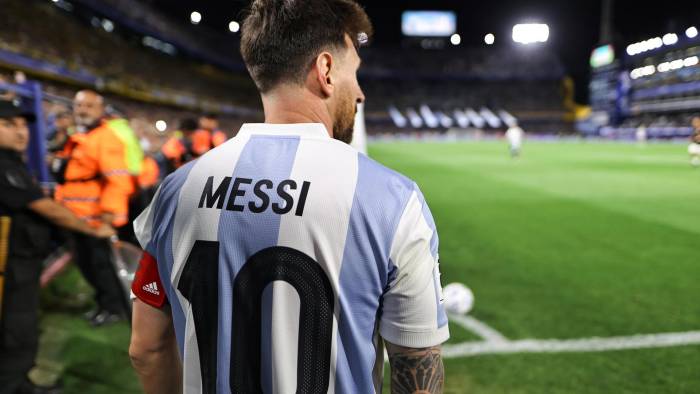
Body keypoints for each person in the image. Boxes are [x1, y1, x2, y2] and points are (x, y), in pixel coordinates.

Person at [128, 1, 448, 393]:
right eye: (355, 74)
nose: (360, 94)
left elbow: (146, 348)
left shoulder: (176, 190)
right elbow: (416, 371)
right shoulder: (394, 201)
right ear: (326, 70)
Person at [0, 100, 114, 394]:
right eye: (9, 124)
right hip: (12, 264)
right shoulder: (3, 164)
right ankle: (14, 386)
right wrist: (91, 228)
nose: (21, 131)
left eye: (23, 124)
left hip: (20, 258)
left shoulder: (13, 161)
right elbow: (44, 207)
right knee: (18, 327)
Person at [53, 90, 134, 325]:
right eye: (79, 105)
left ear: (101, 110)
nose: (83, 110)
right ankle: (103, 304)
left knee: (102, 268)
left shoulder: (105, 137)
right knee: (88, 266)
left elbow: (118, 180)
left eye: (89, 106)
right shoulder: (83, 135)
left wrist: (109, 221)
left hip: (96, 221)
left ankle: (112, 309)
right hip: (76, 218)